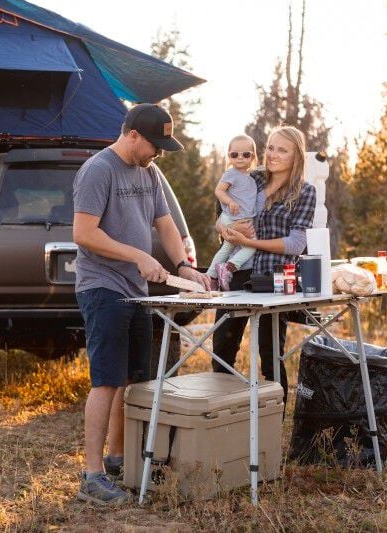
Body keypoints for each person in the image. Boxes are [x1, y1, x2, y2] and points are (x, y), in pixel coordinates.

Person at [72, 103, 211, 505]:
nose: (159, 153)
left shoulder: (150, 173)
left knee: (133, 377)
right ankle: (92, 475)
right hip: (103, 287)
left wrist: (184, 267)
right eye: (155, 144)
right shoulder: (99, 170)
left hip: (137, 290)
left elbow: (165, 224)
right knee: (105, 380)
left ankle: (119, 459)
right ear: (132, 134)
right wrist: (137, 256)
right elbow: (83, 233)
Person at [212, 126, 316, 402]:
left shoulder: (304, 192)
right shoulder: (250, 178)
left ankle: (272, 421)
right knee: (222, 349)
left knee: (270, 354)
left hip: (275, 277)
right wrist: (226, 231)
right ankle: (226, 416)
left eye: (282, 150)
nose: (273, 154)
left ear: (297, 156)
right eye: (270, 147)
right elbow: (220, 215)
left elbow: (296, 243)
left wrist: (251, 243)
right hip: (238, 273)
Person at [206, 134, 259, 291]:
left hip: (236, 219)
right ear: (229, 156)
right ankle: (229, 268)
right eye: (234, 154)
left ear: (253, 156)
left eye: (246, 154)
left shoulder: (249, 176)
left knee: (227, 248)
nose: (240, 158)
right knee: (250, 247)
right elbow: (219, 191)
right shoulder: (231, 173)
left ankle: (211, 276)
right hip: (234, 219)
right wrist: (230, 202)